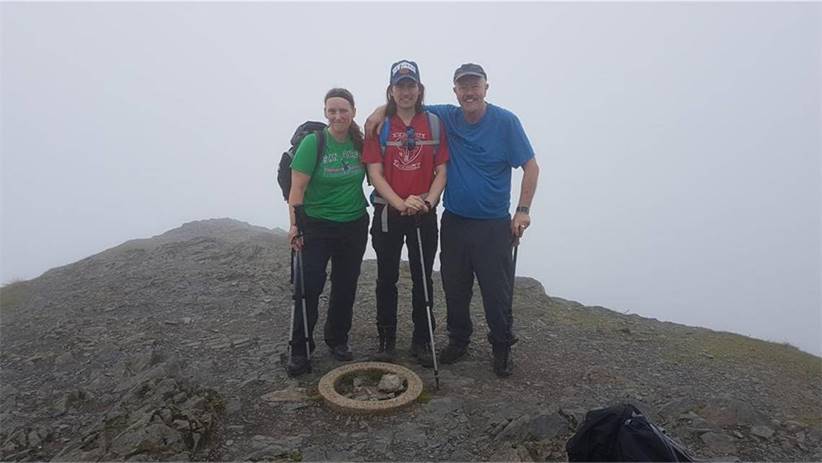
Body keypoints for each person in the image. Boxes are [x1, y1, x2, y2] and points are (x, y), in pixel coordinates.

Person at [365, 63, 539, 377]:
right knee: (454, 286)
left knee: (495, 289)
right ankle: (459, 340)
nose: (469, 92)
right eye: (463, 87)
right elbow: (405, 104)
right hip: (456, 221)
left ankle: (501, 346)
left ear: (487, 87)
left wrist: (523, 210)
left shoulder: (506, 122)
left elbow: (531, 166)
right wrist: (379, 111)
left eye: (475, 86)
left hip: (492, 222)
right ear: (455, 91)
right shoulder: (446, 117)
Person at [363, 60, 449, 365]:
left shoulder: (435, 123)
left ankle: (422, 340)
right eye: (400, 86)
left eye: (411, 85)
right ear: (391, 90)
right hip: (389, 211)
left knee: (422, 277)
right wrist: (401, 203)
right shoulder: (379, 126)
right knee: (386, 278)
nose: (406, 91)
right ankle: (386, 340)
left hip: (424, 212)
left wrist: (428, 201)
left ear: (420, 89)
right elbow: (375, 173)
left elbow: (442, 170)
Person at [286, 88, 369, 377]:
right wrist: (296, 226)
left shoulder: (360, 142)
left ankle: (337, 339)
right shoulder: (314, 143)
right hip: (317, 224)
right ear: (325, 112)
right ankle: (300, 348)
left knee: (346, 285)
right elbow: (297, 189)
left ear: (353, 112)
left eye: (343, 110)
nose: (337, 116)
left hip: (354, 223)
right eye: (332, 110)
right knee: (308, 287)